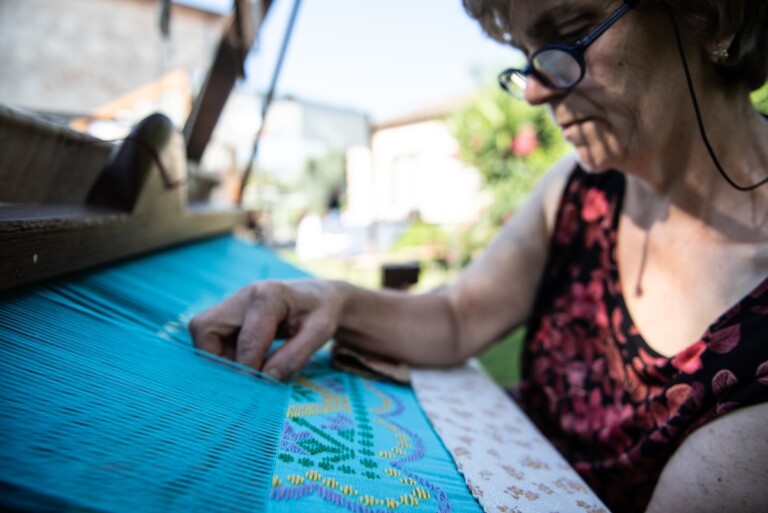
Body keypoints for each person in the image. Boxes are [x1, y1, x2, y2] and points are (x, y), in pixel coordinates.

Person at [189, 0, 768, 511]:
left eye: (569, 32)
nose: (538, 89)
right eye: (527, 54)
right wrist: (329, 300)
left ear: (715, 15)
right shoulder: (581, 192)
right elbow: (458, 316)